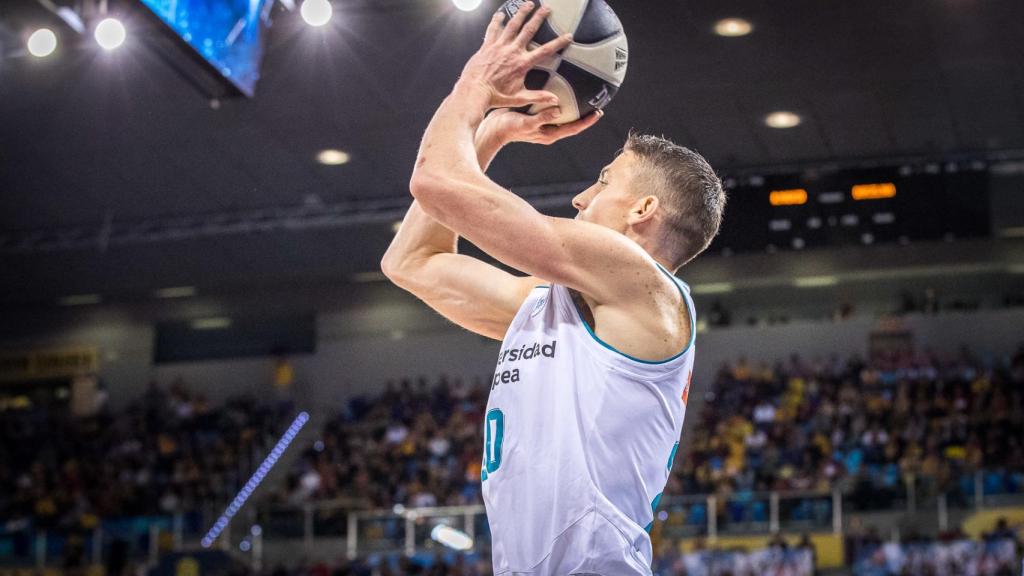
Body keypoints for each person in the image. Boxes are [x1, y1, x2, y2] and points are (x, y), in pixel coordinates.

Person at [381, 3, 725, 574]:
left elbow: (435, 179)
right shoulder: (555, 311)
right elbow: (412, 261)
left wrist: (477, 85)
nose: (581, 198)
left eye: (604, 180)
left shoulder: (643, 283)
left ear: (644, 209)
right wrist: (489, 134)